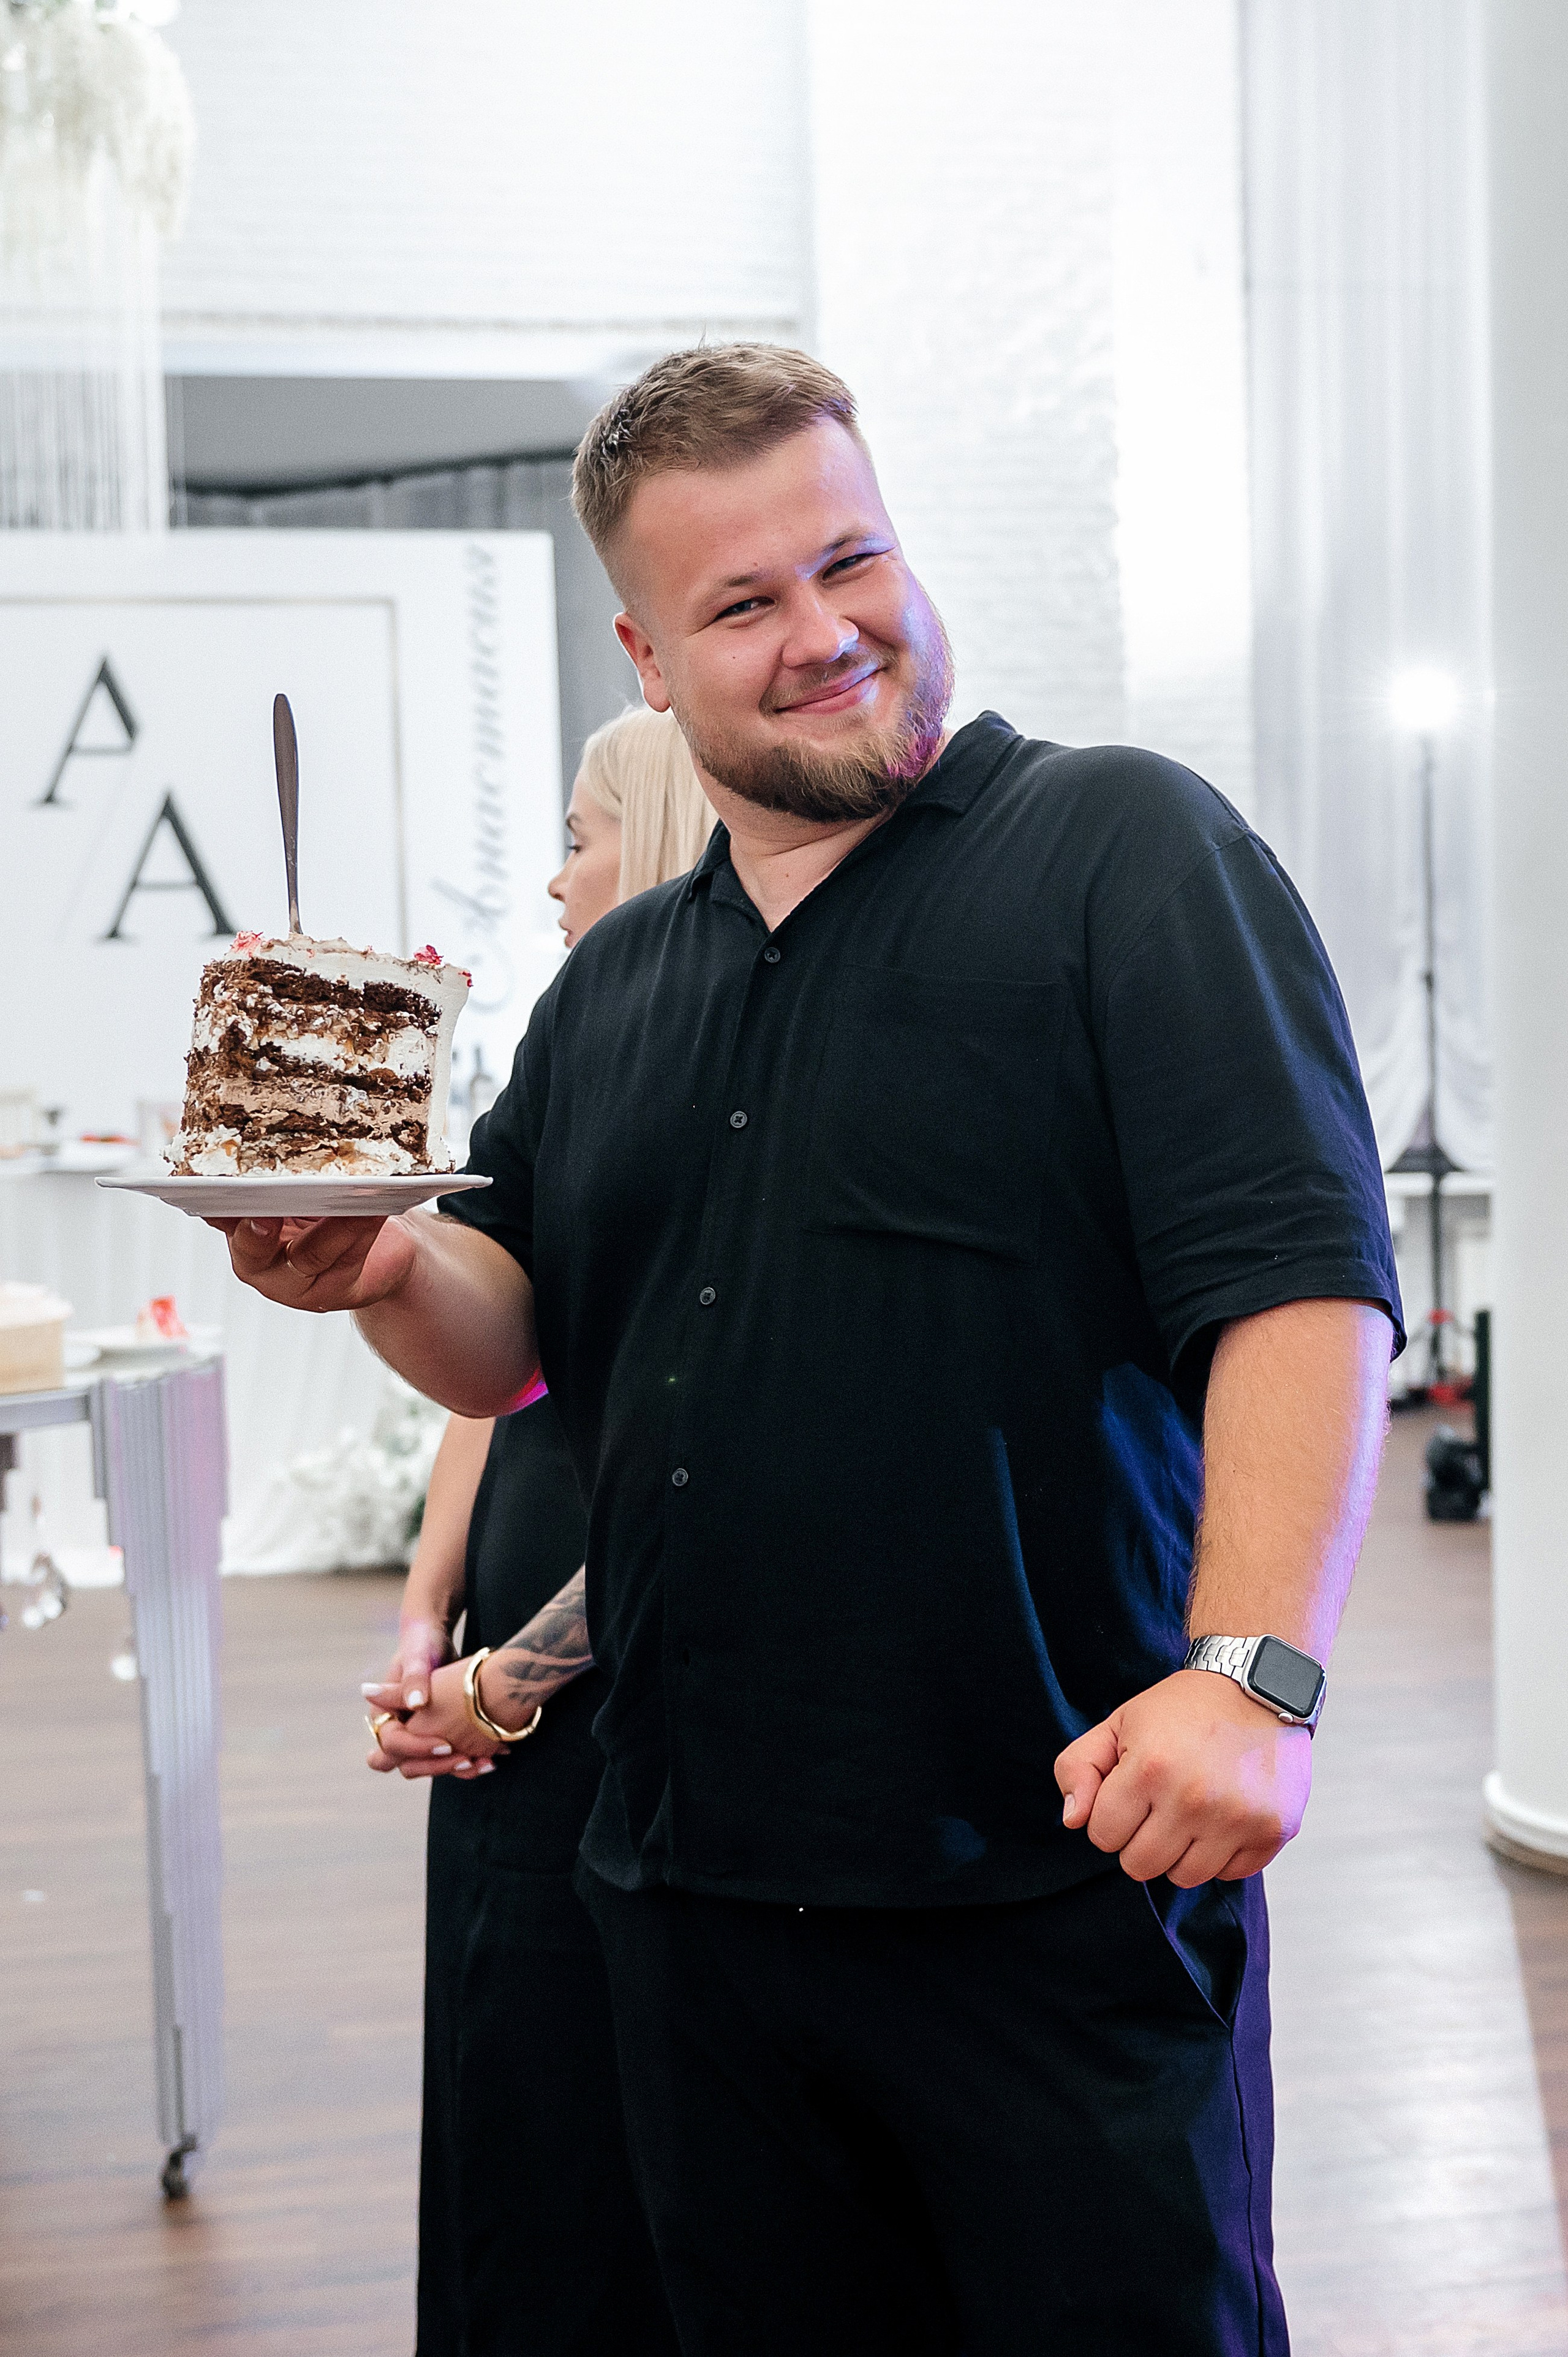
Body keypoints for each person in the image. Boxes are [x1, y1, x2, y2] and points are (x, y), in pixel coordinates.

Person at [219, 345, 1401, 2356]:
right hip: (685, 1904)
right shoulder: (618, 993)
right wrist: (374, 1264)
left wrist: (1255, 1681)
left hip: (1049, 1883)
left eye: (851, 561)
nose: (828, 633)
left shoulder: (1128, 855)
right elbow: (516, 1333)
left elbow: (1301, 1283)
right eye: (744, 604)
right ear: (648, 656)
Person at [362, 706, 710, 2357]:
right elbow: (506, 1380)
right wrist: (428, 1610)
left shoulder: (710, 1092)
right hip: (498, 1684)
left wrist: (507, 1680)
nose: (557, 877)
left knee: (586, 2139)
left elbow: (698, 1474)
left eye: (582, 834)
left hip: (587, 1700)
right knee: (506, 2095)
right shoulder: (577, 1063)